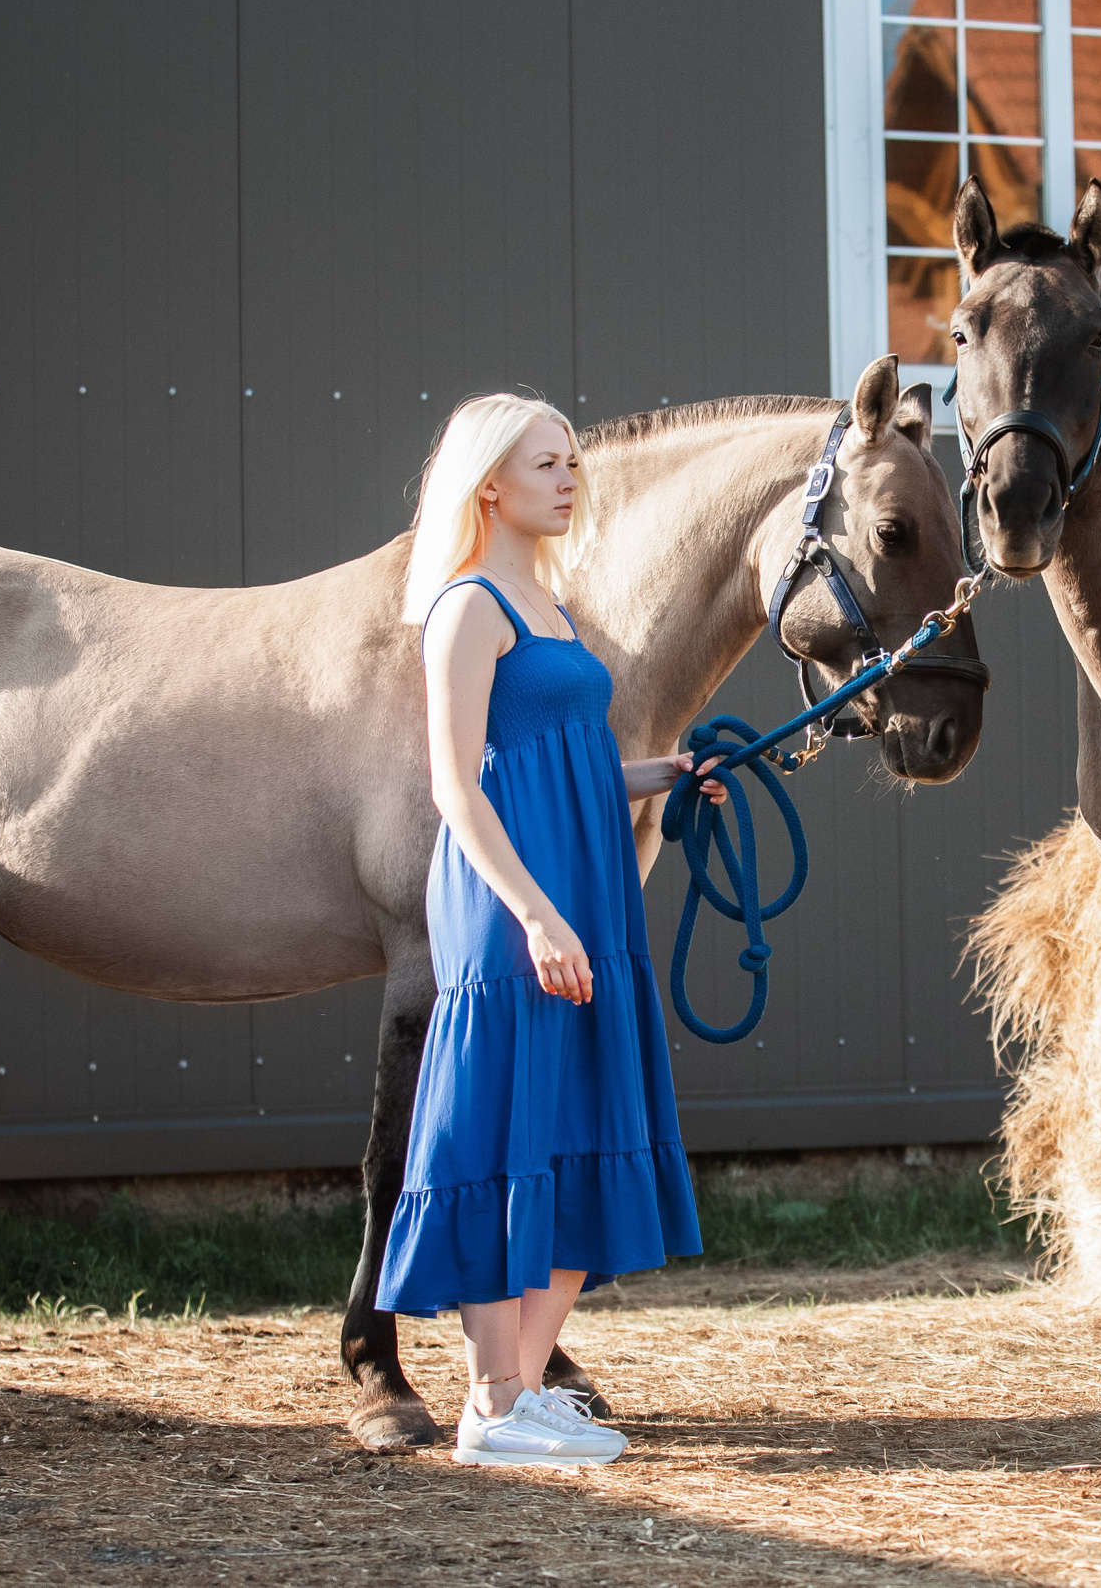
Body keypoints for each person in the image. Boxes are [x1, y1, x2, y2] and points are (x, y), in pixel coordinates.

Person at [375, 393, 715, 1468]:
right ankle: (490, 1394)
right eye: (548, 462)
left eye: (573, 460)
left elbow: (558, 765)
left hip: (586, 893)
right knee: (497, 1129)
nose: (571, 477)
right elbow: (455, 784)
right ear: (490, 483)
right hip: (512, 904)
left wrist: (656, 774)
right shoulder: (468, 607)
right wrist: (531, 913)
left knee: (576, 1123)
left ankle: (515, 1392)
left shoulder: (549, 602)